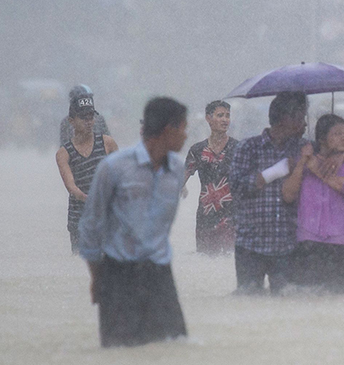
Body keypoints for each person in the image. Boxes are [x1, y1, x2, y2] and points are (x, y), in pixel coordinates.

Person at [77, 97, 190, 348]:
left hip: (160, 275)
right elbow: (91, 223)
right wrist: (97, 277)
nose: (186, 135)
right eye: (183, 128)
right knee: (119, 352)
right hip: (118, 274)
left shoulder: (177, 170)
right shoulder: (114, 167)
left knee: (174, 350)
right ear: (167, 130)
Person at [228, 92, 311, 294]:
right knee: (248, 304)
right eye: (300, 117)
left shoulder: (303, 148)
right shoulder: (248, 147)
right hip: (250, 245)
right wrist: (275, 172)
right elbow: (236, 188)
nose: (305, 123)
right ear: (285, 119)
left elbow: (335, 153)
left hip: (288, 245)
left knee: (287, 308)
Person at [285, 114, 344, 294]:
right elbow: (288, 195)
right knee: (306, 300)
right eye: (337, 134)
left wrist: (318, 171)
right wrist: (303, 164)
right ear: (322, 139)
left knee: (340, 302)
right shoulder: (305, 162)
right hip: (309, 242)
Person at [56, 94, 118, 254]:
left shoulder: (108, 143)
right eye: (83, 117)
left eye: (91, 116)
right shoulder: (64, 153)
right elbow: (72, 187)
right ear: (71, 121)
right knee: (80, 264)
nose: (88, 121)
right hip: (79, 218)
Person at [182, 100, 239, 255]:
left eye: (227, 116)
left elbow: (250, 181)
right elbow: (181, 178)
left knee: (230, 262)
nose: (225, 120)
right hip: (206, 217)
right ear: (208, 118)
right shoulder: (197, 150)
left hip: (232, 217)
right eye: (220, 115)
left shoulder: (238, 148)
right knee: (206, 261)